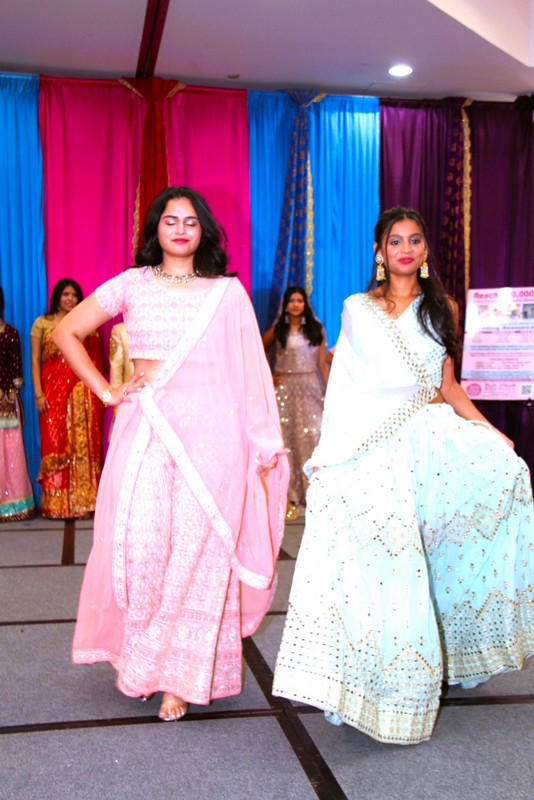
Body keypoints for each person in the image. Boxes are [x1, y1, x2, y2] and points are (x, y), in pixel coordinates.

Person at [273, 207, 534, 745]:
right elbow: (347, 386)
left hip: (434, 441)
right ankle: (380, 683)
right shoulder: (358, 309)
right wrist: (331, 454)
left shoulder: (444, 309)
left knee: (441, 549)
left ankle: (449, 657)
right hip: (377, 448)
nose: (406, 249)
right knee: (388, 561)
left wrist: (491, 433)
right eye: (396, 241)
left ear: (425, 250)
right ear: (380, 251)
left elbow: (448, 387)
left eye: (415, 240)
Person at [53, 186, 288, 722]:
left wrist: (260, 442)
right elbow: (67, 332)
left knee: (195, 555)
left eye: (190, 221)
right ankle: (143, 662)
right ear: (155, 228)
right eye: (170, 220)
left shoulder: (226, 293)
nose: (180, 229)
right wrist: (107, 391)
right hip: (147, 429)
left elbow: (250, 373)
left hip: (213, 441)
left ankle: (179, 679)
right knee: (142, 547)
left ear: (204, 230)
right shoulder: (132, 283)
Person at [30, 279, 104, 518]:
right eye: (65, 294)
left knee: (83, 446)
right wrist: (38, 393)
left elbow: (94, 363)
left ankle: (85, 501)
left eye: (74, 295)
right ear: (57, 297)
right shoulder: (42, 323)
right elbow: (35, 361)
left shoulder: (85, 323)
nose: (70, 299)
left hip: (82, 394)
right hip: (51, 395)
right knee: (54, 442)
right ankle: (57, 505)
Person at [262, 286, 329, 519]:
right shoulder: (279, 330)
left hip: (310, 387)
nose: (296, 304)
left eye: (299, 300)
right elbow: (256, 350)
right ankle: (289, 496)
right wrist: (267, 375)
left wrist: (329, 390)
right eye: (292, 300)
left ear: (305, 304)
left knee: (312, 438)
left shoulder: (316, 330)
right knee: (287, 440)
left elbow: (322, 363)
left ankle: (313, 495)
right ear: (286, 305)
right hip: (285, 390)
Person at [0, 287, 35, 522]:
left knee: (10, 449)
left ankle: (13, 504)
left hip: (5, 398)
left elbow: (15, 369)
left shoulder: (10, 333)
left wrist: (12, 394)